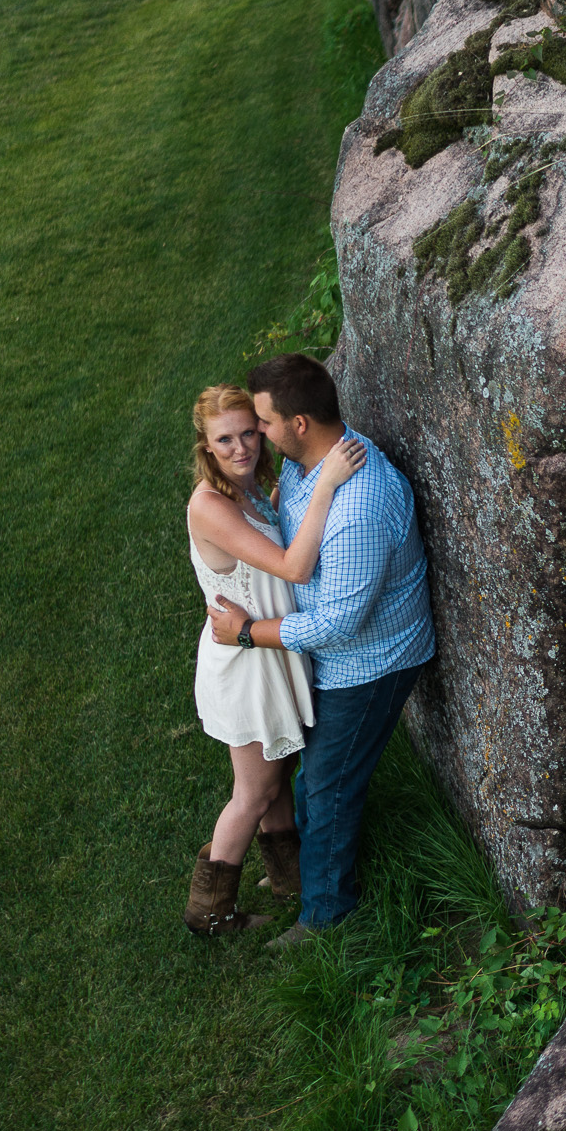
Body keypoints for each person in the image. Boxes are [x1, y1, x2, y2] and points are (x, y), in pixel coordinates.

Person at [206, 353, 436, 948]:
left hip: (370, 661)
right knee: (311, 783)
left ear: (299, 423)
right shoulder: (309, 465)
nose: (256, 435)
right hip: (333, 654)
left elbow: (338, 623)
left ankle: (327, 919)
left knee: (328, 788)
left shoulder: (357, 505)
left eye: (263, 423)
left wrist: (247, 633)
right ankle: (306, 879)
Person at [182, 384, 367, 935]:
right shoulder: (210, 504)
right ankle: (208, 911)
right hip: (246, 663)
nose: (241, 448)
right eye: (225, 439)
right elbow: (293, 567)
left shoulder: (250, 486)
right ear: (206, 446)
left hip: (266, 648)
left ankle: (288, 876)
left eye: (249, 433)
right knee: (255, 790)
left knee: (279, 770)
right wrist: (328, 484)